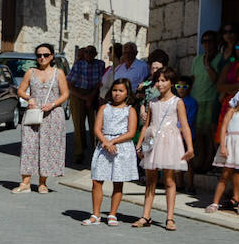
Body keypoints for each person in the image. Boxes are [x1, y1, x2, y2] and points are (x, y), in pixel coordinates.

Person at [134, 67, 194, 231]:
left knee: (169, 180)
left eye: (163, 80)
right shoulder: (152, 102)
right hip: (153, 140)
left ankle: (170, 217)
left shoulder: (177, 102)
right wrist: (139, 145)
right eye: (157, 81)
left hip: (169, 142)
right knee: (150, 180)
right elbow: (146, 125)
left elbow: (185, 126)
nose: (159, 84)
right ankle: (146, 215)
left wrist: (189, 147)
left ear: (171, 82)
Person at [81, 79, 140, 227]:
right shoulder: (103, 108)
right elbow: (96, 128)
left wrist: (114, 142)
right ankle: (96, 214)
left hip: (121, 148)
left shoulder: (130, 110)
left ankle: (112, 214)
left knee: (118, 182)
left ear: (127, 93)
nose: (117, 94)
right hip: (104, 147)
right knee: (97, 180)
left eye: (121, 91)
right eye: (115, 90)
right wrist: (106, 142)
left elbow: (131, 132)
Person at [13, 43, 69, 194]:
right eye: (39, 55)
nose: (42, 58)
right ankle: (25, 182)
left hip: (53, 115)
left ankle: (43, 183)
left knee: (47, 148)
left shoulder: (58, 73)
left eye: (45, 55)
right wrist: (29, 98)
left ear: (52, 56)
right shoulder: (30, 72)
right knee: (29, 146)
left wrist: (52, 104)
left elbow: (65, 94)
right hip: (33, 114)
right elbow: (20, 90)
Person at [65, 45, 106, 162]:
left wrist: (90, 97)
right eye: (87, 52)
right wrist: (84, 97)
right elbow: (70, 85)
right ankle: (79, 152)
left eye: (92, 52)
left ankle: (96, 152)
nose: (89, 54)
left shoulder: (100, 64)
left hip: (93, 93)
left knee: (96, 125)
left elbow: (100, 83)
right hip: (78, 93)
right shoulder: (78, 65)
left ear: (95, 54)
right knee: (79, 125)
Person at [191, 30, 222, 177]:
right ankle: (200, 161)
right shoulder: (197, 59)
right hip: (196, 99)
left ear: (216, 42)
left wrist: (208, 64)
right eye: (204, 41)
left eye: (210, 41)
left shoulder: (220, 58)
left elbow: (216, 79)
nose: (207, 44)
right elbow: (194, 78)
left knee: (210, 134)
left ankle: (209, 162)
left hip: (211, 99)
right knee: (198, 134)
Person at [206, 92, 239, 213]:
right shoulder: (232, 111)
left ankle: (237, 200)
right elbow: (224, 127)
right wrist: (223, 146)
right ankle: (215, 202)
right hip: (230, 144)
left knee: (237, 174)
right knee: (225, 174)